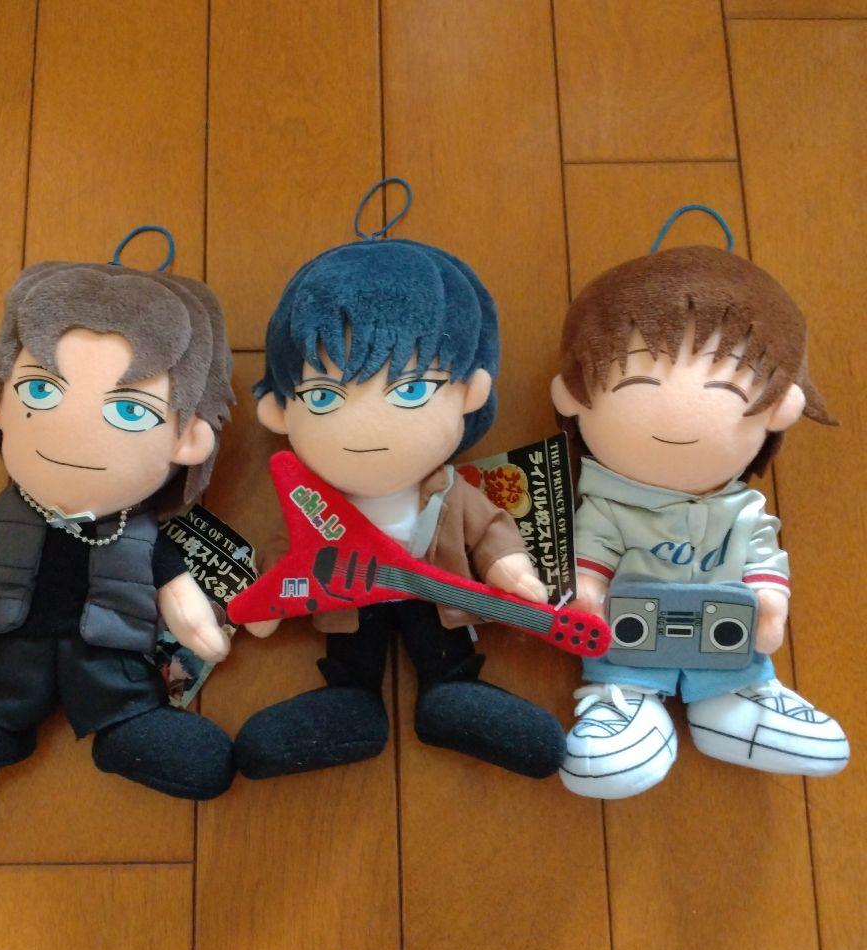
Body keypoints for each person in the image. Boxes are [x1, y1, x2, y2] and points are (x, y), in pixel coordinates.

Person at [0, 254, 238, 802]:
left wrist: (201, 635)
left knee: (123, 693)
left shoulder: (140, 535)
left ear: (187, 440)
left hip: (110, 652)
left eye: (131, 411)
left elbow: (182, 602)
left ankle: (128, 727)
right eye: (41, 391)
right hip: (12, 641)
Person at [235, 229, 565, 781]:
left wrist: (511, 571)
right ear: (280, 412)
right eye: (323, 396)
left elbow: (490, 529)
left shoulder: (449, 491)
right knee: (352, 649)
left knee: (442, 642)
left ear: (470, 393)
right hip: (348, 598)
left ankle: (453, 695)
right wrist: (267, 602)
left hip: (432, 590)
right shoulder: (311, 501)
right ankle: (349, 704)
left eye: (411, 389)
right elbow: (289, 550)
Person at [551, 242, 850, 798]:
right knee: (622, 649)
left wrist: (769, 605)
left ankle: (734, 699)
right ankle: (625, 704)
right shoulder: (607, 508)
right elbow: (590, 558)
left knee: (734, 643)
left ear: (778, 407)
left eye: (723, 389)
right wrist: (587, 597)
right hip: (629, 652)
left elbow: (763, 558)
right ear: (576, 397)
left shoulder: (744, 511)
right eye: (639, 386)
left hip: (726, 652)